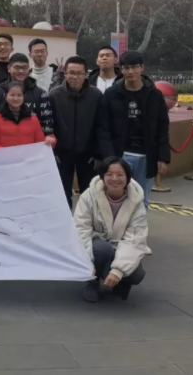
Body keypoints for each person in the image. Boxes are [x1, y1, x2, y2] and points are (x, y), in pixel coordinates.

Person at [98, 51, 170, 208]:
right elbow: (104, 129)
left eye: (135, 67)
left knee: (141, 200)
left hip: (146, 156)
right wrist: (110, 158)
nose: (130, 72)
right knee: (116, 199)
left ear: (142, 68)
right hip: (120, 155)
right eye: (126, 67)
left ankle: (138, 225)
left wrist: (163, 157)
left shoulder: (155, 95)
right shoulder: (111, 94)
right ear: (121, 69)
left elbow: (162, 127)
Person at [74, 157, 148, 303]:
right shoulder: (88, 196)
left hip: (121, 246)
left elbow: (135, 239)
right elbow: (81, 230)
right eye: (109, 174)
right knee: (102, 249)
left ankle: (120, 283)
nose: (114, 179)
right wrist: (86, 263)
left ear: (127, 177)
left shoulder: (137, 202)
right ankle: (91, 282)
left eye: (120, 174)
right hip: (97, 245)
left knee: (137, 274)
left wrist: (118, 271)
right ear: (102, 176)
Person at [49, 56, 103, 207]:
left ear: (86, 74)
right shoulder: (54, 95)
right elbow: (48, 125)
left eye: (79, 73)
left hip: (88, 155)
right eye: (71, 73)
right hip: (61, 155)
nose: (75, 77)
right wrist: (53, 152)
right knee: (62, 196)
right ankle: (65, 222)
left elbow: (101, 125)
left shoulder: (96, 95)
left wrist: (97, 153)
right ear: (65, 73)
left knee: (89, 196)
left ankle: (87, 222)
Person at [0, 53, 54, 137]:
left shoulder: (40, 93)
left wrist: (47, 139)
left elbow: (47, 122)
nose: (21, 71)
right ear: (9, 68)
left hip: (32, 142)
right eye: (17, 67)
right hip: (4, 142)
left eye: (25, 68)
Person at [0, 82, 55, 148]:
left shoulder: (33, 119)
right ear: (5, 96)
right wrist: (4, 153)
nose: (16, 99)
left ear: (24, 97)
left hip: (28, 157)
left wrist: (50, 140)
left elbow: (40, 142)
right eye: (12, 95)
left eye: (19, 95)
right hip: (4, 156)